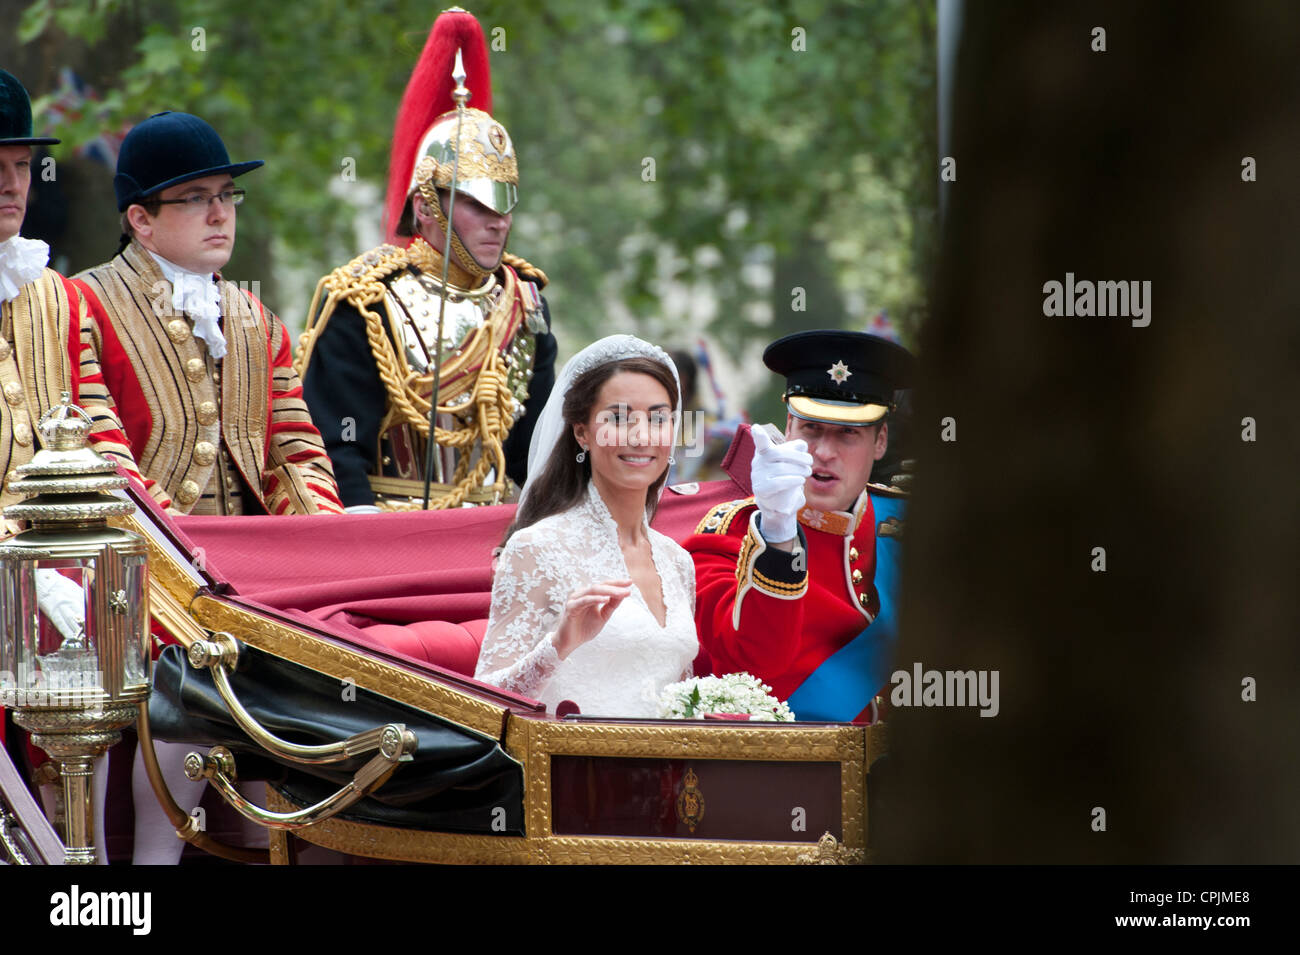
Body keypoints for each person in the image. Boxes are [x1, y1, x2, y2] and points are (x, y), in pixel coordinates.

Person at [297, 8, 556, 511]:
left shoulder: (524, 303)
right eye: (477, 204)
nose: (497, 221)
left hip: (497, 530)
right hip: (386, 533)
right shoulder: (367, 300)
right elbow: (336, 446)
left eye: (504, 202)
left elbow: (536, 450)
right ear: (425, 205)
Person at [72, 111, 343, 516]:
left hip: (255, 565)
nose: (220, 213)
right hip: (143, 565)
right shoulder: (81, 306)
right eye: (197, 197)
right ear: (141, 219)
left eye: (227, 194)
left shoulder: (259, 321)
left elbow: (296, 457)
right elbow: (99, 456)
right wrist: (185, 553)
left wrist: (317, 543)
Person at [686, 330, 914, 723]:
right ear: (788, 428)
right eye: (811, 429)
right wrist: (777, 532)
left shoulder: (912, 526)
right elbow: (752, 665)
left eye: (848, 433)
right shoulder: (730, 533)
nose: (824, 453)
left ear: (881, 442)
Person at [475, 335, 697, 717]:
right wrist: (559, 644)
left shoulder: (678, 562)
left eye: (658, 418)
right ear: (582, 432)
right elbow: (483, 702)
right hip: (568, 768)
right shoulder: (536, 548)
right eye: (619, 418)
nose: (642, 436)